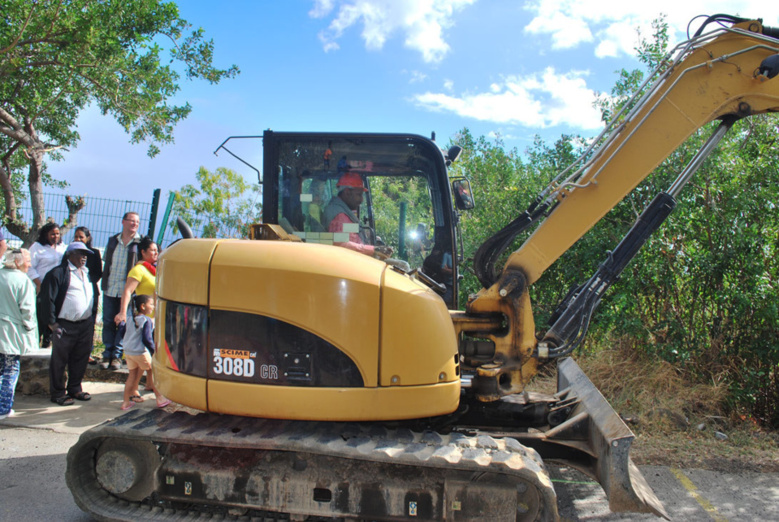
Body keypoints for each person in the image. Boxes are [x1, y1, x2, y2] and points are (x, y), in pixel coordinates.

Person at [39, 242, 99, 406]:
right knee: (59, 360)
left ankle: (75, 388)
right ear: (70, 255)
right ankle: (58, 392)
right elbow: (47, 299)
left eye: (85, 254)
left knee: (80, 357)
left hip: (84, 324)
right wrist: (52, 324)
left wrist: (91, 320)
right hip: (64, 324)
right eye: (80, 253)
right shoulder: (58, 273)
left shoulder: (86, 273)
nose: (84, 257)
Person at [100, 212, 141, 370]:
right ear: (123, 222)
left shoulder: (140, 242)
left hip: (129, 291)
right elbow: (107, 263)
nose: (134, 224)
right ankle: (107, 353)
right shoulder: (113, 241)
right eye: (132, 221)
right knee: (108, 322)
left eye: (137, 222)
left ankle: (117, 355)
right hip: (110, 288)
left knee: (124, 323)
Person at [0, 249, 38, 420]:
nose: (29, 265)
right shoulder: (23, 281)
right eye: (27, 261)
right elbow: (28, 310)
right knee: (10, 369)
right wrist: (30, 329)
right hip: (10, 332)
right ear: (17, 262)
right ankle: (3, 408)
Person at [322, 172, 392, 257]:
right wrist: (374, 250)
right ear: (347, 192)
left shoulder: (344, 212)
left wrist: (372, 240)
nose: (361, 200)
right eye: (359, 194)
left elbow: (350, 237)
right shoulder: (339, 215)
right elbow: (340, 244)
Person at [119, 294, 170, 410]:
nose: (153, 307)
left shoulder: (130, 318)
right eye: (151, 304)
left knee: (131, 376)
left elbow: (122, 332)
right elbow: (147, 339)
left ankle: (126, 402)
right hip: (140, 352)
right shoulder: (146, 320)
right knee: (152, 373)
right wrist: (154, 351)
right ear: (143, 306)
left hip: (128, 351)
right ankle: (160, 398)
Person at [29, 222, 67, 348]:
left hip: (57, 287)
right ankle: (36, 341)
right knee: (41, 313)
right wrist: (39, 284)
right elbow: (30, 267)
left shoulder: (62, 247)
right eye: (52, 234)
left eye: (57, 234)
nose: (55, 237)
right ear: (46, 235)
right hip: (41, 286)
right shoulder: (37, 247)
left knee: (54, 312)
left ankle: (48, 340)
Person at [73, 226, 102, 365]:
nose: (78, 239)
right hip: (73, 293)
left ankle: (87, 353)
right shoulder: (70, 252)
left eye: (81, 237)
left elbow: (98, 273)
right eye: (76, 237)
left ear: (88, 238)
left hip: (90, 292)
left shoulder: (94, 253)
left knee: (89, 324)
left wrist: (86, 281)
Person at [113, 236, 158, 326]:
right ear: (143, 252)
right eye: (153, 250)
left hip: (157, 318)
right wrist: (123, 312)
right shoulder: (138, 270)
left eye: (157, 250)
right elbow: (128, 291)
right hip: (145, 320)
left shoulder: (156, 270)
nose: (156, 253)